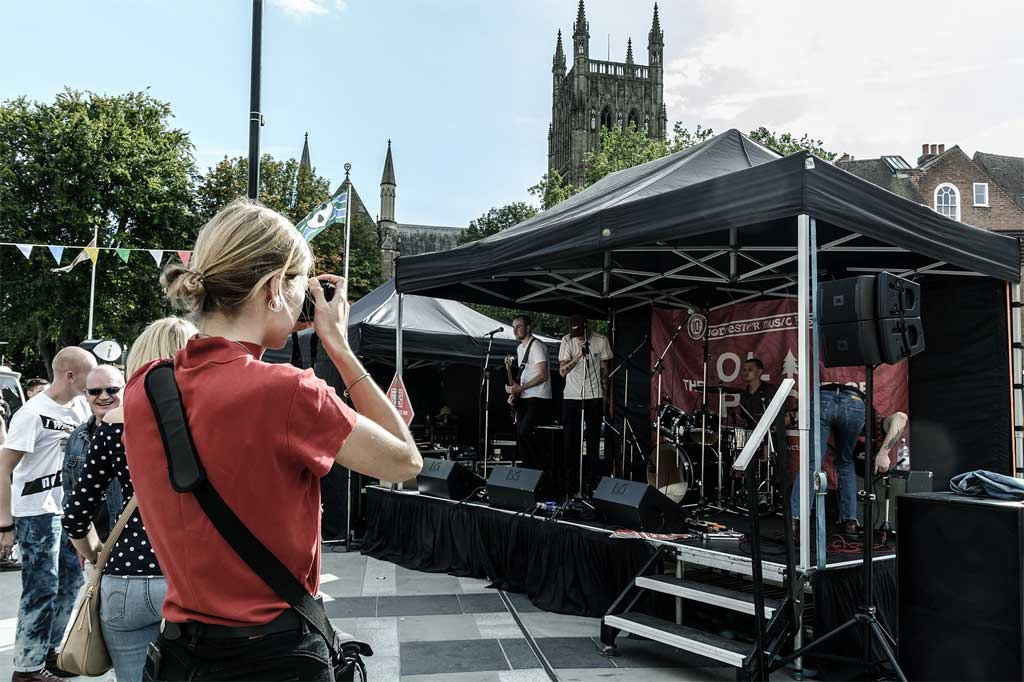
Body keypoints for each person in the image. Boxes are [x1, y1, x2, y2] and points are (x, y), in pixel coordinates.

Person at [122, 198, 422, 681]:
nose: (308, 298)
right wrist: (340, 348)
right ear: (272, 290)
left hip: (180, 653)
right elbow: (405, 461)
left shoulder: (145, 387)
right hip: (275, 654)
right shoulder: (288, 392)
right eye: (303, 283)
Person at [62, 317, 197, 682]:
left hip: (127, 576)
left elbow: (75, 513)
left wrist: (96, 554)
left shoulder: (115, 424)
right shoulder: (209, 416)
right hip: (194, 574)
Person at [0, 347, 96, 682]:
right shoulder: (32, 413)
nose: (94, 382)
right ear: (71, 375)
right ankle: (27, 668)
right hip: (35, 515)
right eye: (90, 374)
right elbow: (4, 467)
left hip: (66, 511)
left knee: (70, 584)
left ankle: (50, 651)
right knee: (41, 588)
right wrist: (5, 524)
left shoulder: (81, 408)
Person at [61, 365, 125, 541]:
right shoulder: (78, 436)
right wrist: (79, 540)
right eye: (96, 391)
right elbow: (70, 491)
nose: (104, 396)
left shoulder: (139, 433)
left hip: (130, 541)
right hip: (94, 543)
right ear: (86, 394)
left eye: (112, 390)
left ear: (125, 389)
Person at [558, 314, 612, 495]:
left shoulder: (601, 340)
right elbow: (562, 372)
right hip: (572, 396)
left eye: (581, 333)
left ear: (587, 327)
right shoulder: (567, 341)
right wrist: (578, 356)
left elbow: (605, 369)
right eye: (575, 334)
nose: (578, 337)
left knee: (594, 441)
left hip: (594, 395)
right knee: (570, 441)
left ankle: (591, 484)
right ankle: (570, 485)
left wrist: (604, 393)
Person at [505, 315, 551, 469]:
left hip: (538, 397)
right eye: (513, 327)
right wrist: (515, 392)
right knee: (520, 435)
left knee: (526, 433)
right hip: (525, 397)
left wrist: (521, 388)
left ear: (528, 327)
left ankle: (538, 469)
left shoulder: (538, 346)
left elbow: (543, 375)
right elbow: (525, 374)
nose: (515, 330)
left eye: (518, 326)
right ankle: (527, 470)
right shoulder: (520, 348)